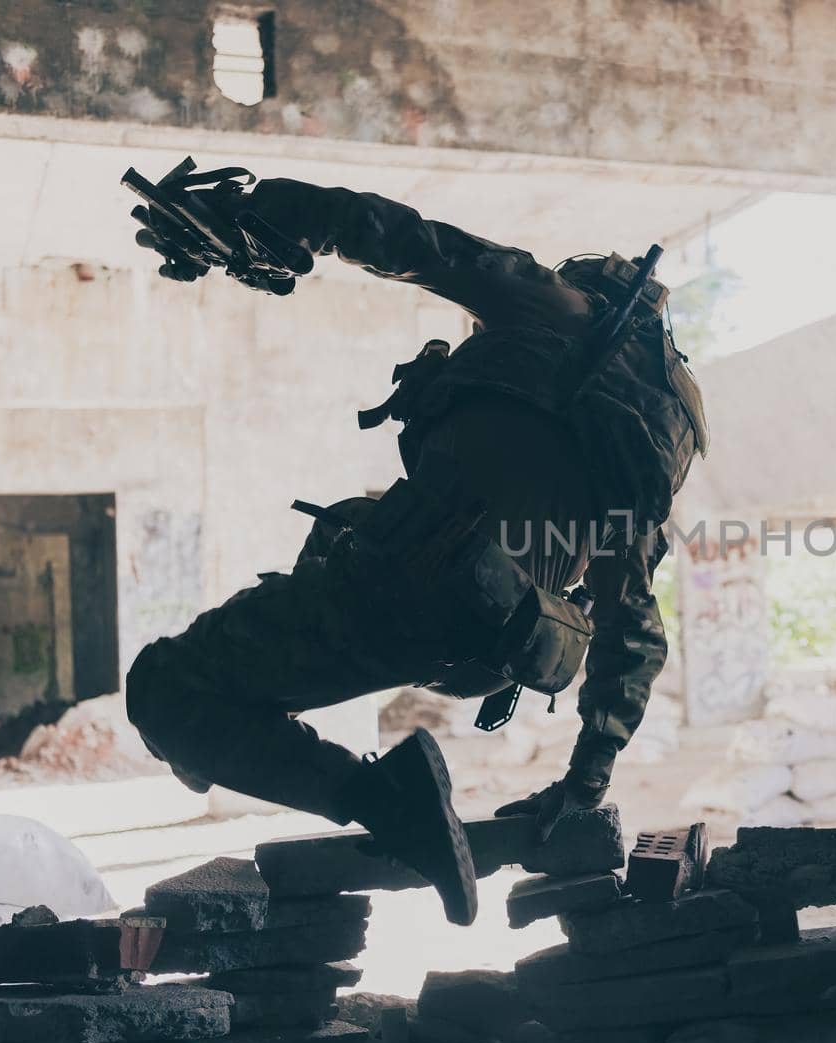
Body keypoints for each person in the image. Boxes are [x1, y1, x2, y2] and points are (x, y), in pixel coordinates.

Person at [123, 173, 708, 925]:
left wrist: (260, 212)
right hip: (488, 648)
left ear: (589, 291)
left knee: (165, 690)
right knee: (345, 522)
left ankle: (388, 799)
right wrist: (582, 784)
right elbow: (635, 631)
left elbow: (406, 239)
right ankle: (268, 727)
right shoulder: (649, 443)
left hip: (408, 587)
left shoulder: (560, 310)